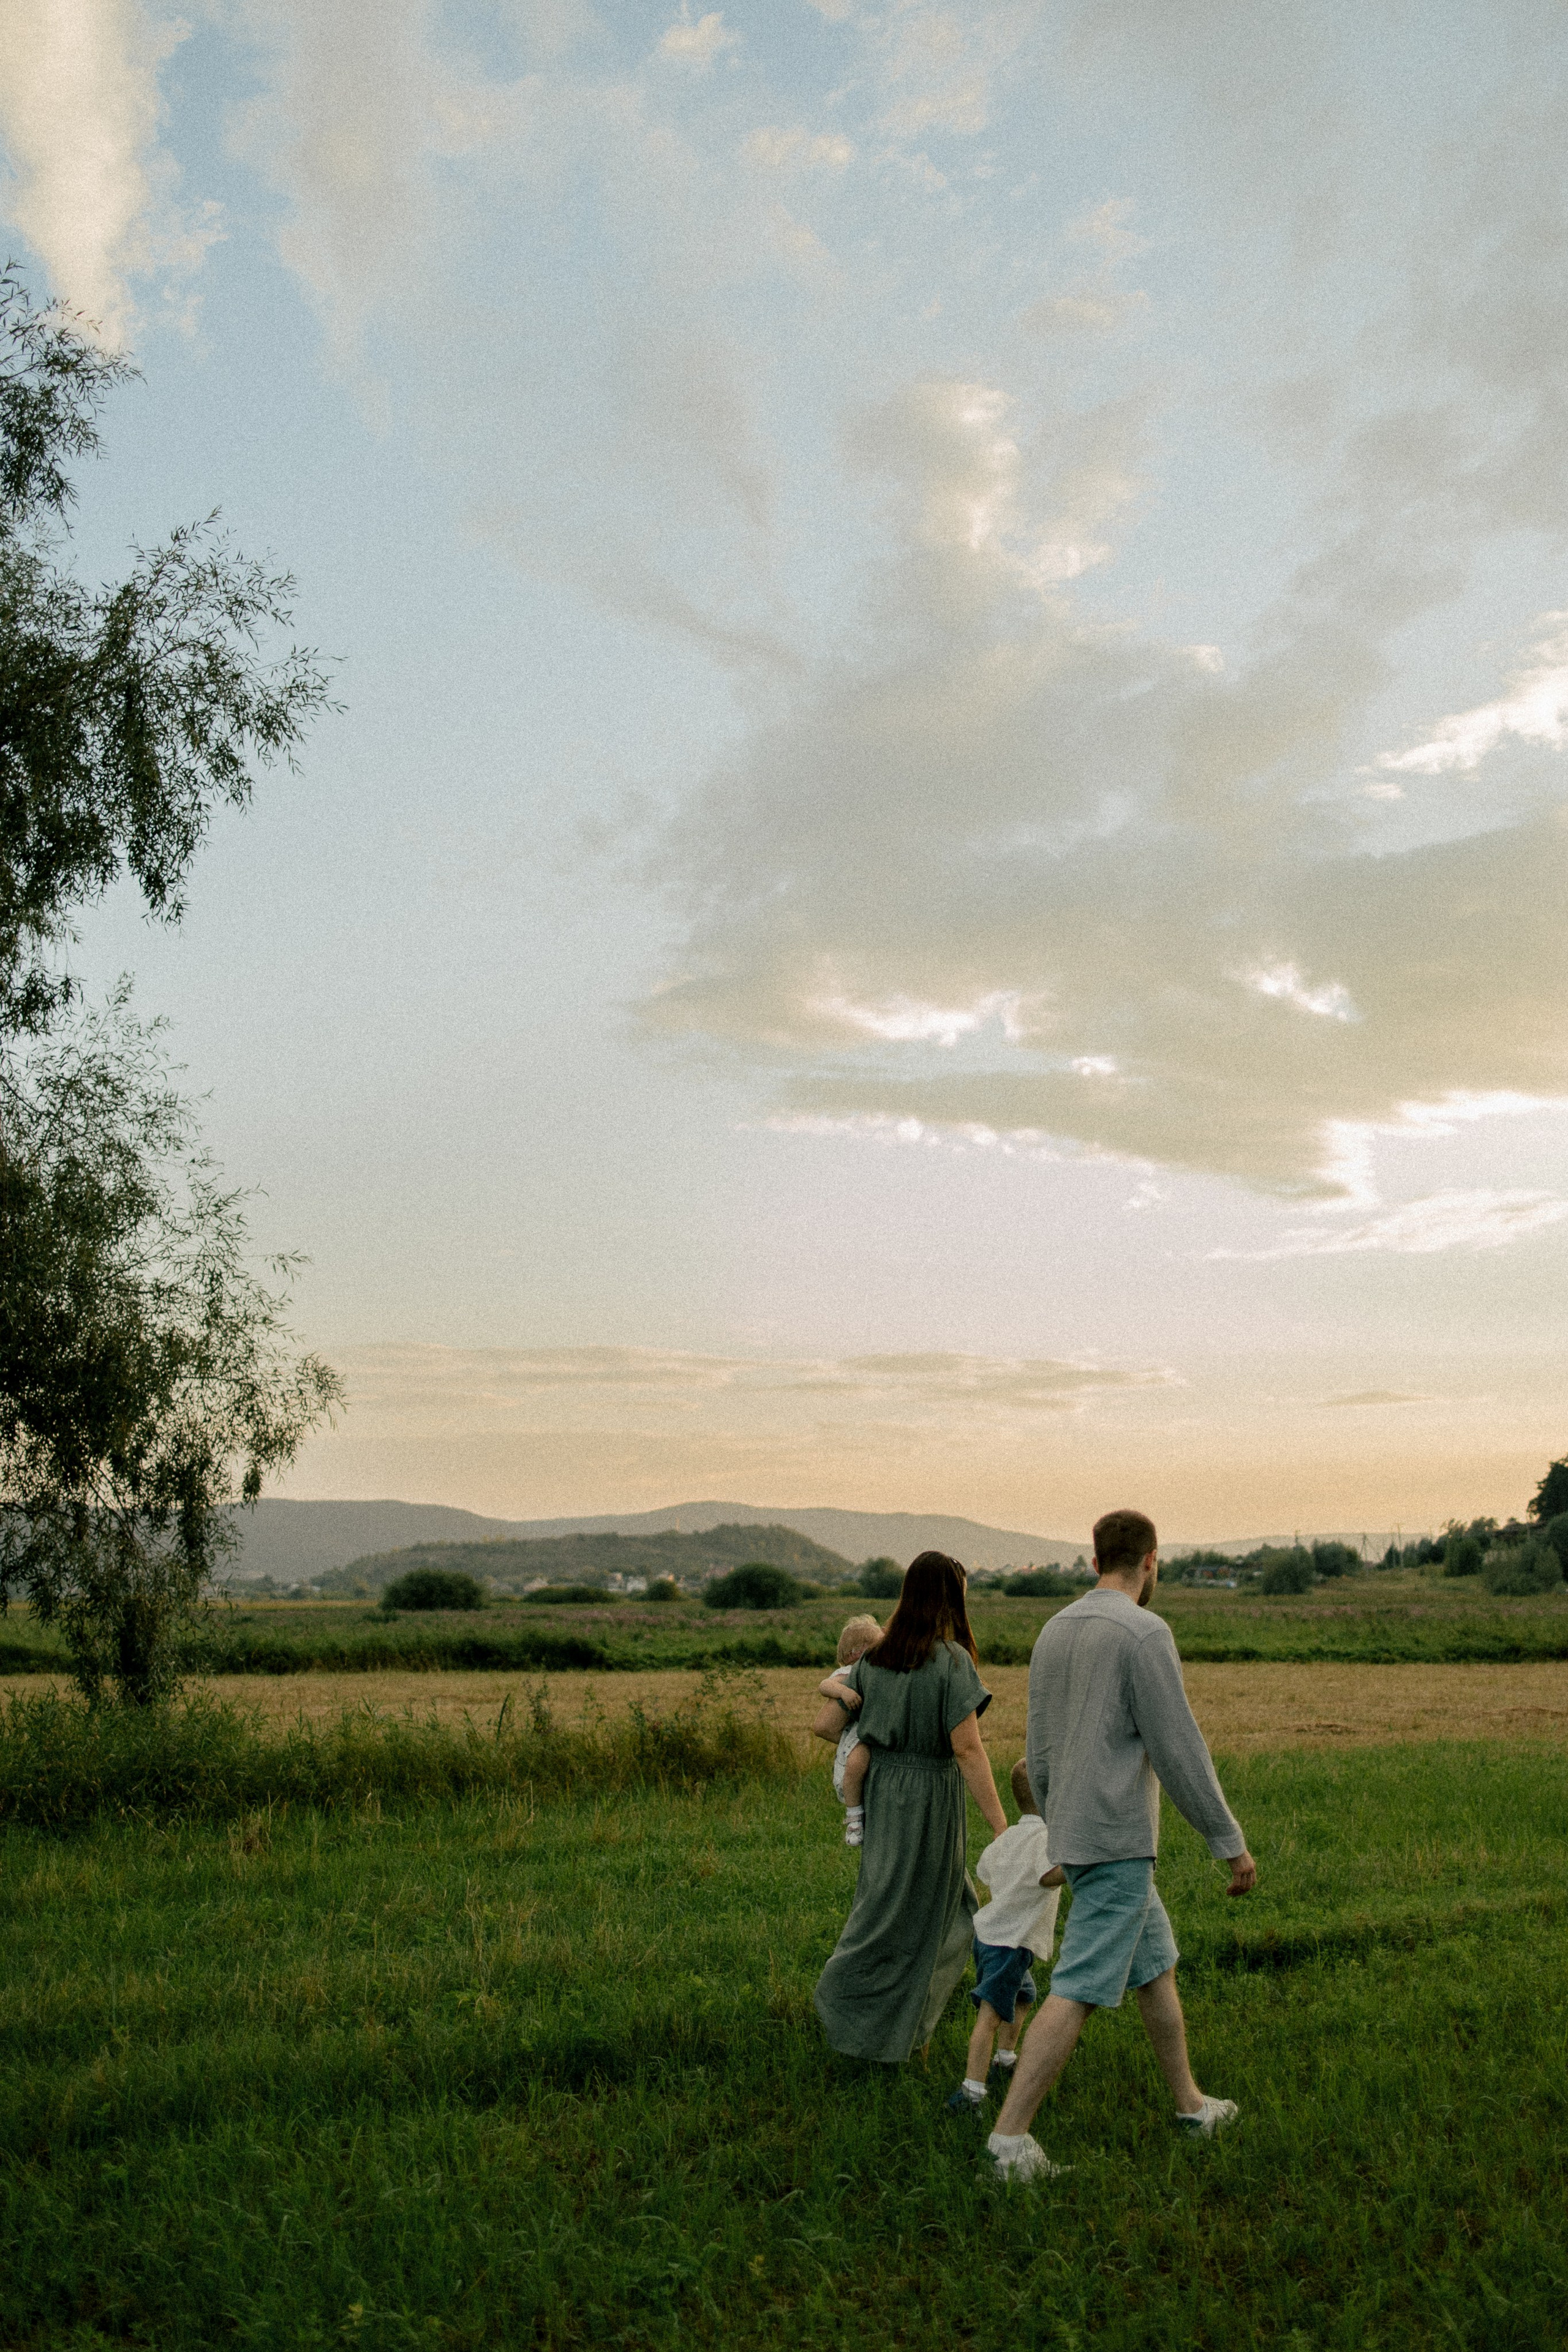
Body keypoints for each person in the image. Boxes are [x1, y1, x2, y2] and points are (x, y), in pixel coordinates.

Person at [989, 1509, 1257, 2185]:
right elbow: (1179, 1748)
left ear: (1094, 1561)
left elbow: (1037, 1750)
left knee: (1154, 1966)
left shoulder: (1054, 1629)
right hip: (1117, 1841)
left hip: (1084, 1838)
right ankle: (1009, 2143)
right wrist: (1229, 1844)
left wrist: (1058, 1828)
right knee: (1079, 1987)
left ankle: (1191, 2106)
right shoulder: (1144, 1632)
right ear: (1151, 1561)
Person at [813, 1552, 1008, 2066]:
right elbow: (967, 1749)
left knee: (883, 1906)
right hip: (930, 1797)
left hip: (883, 1794)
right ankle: (890, 2025)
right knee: (943, 1917)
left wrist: (875, 1741)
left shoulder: (873, 1659)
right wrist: (1001, 1826)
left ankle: (889, 2031)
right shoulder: (952, 1662)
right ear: (950, 1598)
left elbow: (827, 1726)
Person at [947, 1758, 1064, 2113]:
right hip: (1009, 1945)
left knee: (1024, 1996)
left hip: (989, 1937)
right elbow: (1048, 1876)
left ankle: (1005, 2059)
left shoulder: (1009, 1837)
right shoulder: (1046, 1840)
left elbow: (985, 1870)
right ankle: (971, 2093)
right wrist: (1079, 1864)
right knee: (990, 2016)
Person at [812, 1613, 883, 1844]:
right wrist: (844, 1692)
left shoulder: (879, 1670)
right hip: (858, 1732)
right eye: (877, 1645)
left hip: (872, 1728)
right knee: (855, 1764)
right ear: (857, 1653)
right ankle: (854, 1817)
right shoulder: (849, 1674)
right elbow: (824, 1686)